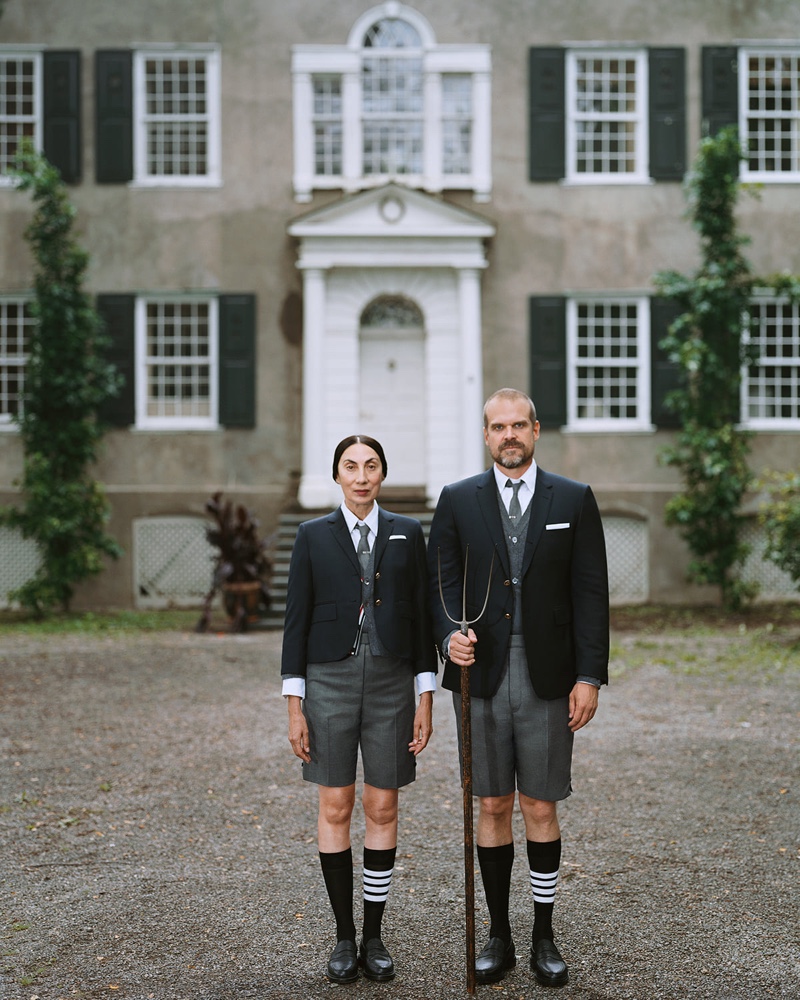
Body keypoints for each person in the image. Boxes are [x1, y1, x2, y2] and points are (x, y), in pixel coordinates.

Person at [428, 388, 609, 989]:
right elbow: (441, 586)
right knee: (493, 804)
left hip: (548, 675)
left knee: (540, 803)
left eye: (518, 425)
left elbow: (590, 594)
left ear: (536, 430)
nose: (508, 435)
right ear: (486, 435)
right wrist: (446, 639)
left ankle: (544, 933)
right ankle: (499, 933)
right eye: (497, 427)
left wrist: (589, 676)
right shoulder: (457, 501)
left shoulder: (574, 499)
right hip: (479, 676)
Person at [282, 434, 437, 985]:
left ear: (382, 475)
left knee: (383, 806)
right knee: (336, 805)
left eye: (371, 465)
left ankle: (374, 934)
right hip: (329, 681)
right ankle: (344, 935)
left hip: (395, 683)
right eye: (351, 466)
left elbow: (421, 618)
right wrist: (295, 705)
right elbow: (295, 622)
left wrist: (426, 695)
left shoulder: (406, 532)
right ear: (337, 475)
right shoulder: (311, 536)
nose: (362, 475)